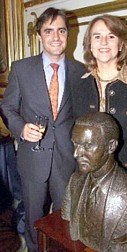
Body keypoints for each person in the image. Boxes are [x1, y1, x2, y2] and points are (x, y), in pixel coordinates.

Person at [0, 7, 90, 252]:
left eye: (61, 30)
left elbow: (83, 116)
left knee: (64, 218)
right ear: (39, 35)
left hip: (66, 158)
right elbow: (7, 107)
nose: (56, 37)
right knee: (33, 216)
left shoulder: (80, 72)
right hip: (32, 158)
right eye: (48, 31)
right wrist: (20, 128)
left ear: (68, 34)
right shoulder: (21, 68)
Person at [73, 14, 127, 184]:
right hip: (90, 176)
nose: (103, 42)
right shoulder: (78, 84)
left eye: (111, 36)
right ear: (90, 44)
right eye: (97, 37)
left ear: (121, 44)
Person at [61, 112, 127, 252]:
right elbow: (66, 220)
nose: (76, 153)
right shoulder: (75, 180)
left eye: (88, 145)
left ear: (111, 146)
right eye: (75, 144)